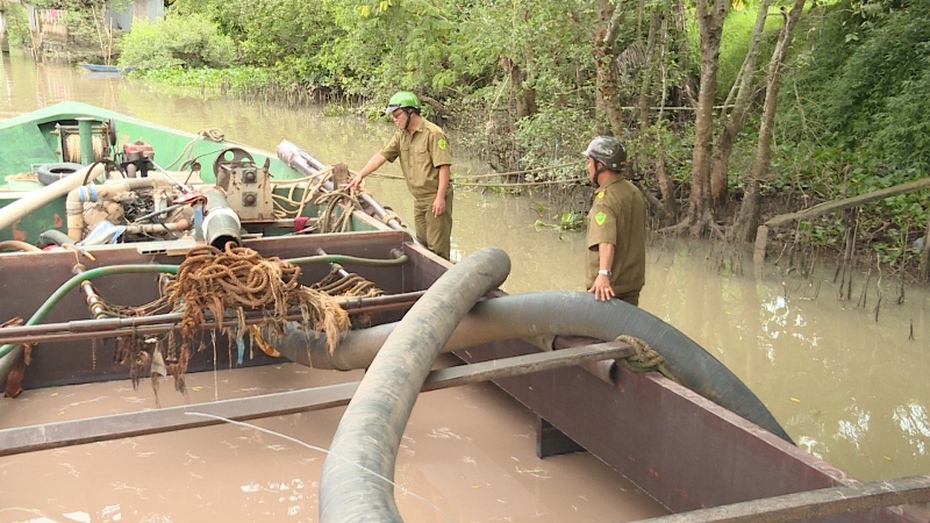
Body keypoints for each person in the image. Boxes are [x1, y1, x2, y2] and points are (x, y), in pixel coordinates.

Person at [347, 91, 454, 260]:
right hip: (419, 199)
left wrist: (440, 197)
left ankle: (443, 280)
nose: (395, 120)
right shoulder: (401, 135)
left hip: (434, 197)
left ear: (411, 112)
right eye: (393, 117)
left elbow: (444, 167)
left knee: (438, 248)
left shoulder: (433, 133)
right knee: (422, 244)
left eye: (398, 115)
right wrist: (360, 175)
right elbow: (382, 156)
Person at [582, 136, 646, 305]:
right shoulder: (633, 192)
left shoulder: (605, 199)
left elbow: (606, 240)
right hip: (631, 286)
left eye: (589, 162)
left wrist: (603, 274)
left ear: (600, 166)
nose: (588, 167)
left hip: (606, 289)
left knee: (599, 331)